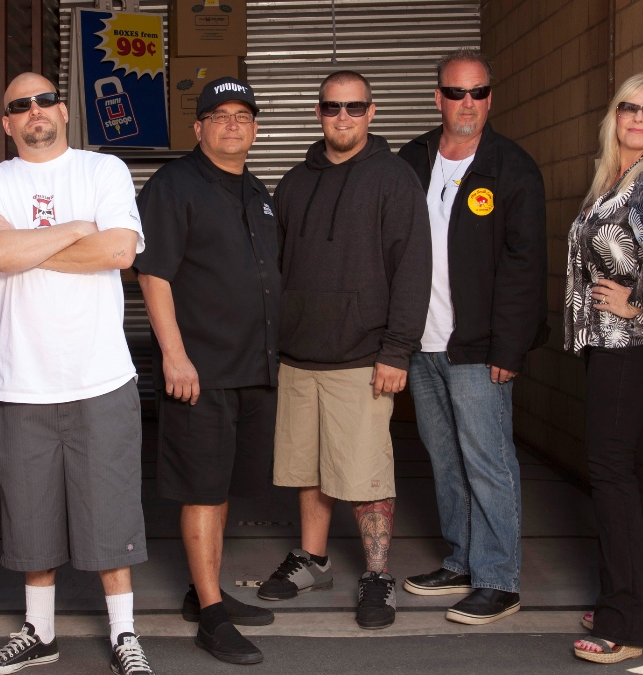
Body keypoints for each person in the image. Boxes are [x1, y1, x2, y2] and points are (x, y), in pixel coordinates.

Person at [0, 72, 155, 675]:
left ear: (65, 112)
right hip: (21, 378)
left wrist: (28, 243)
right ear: (7, 123)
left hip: (99, 376)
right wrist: (76, 229)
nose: (34, 111)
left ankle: (125, 634)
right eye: (19, 105)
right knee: (30, 515)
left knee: (111, 511)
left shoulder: (104, 171)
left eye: (44, 100)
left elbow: (121, 252)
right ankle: (39, 633)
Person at [259, 70, 431, 631]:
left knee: (365, 472)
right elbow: (274, 270)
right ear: (318, 113)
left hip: (362, 356)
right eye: (333, 108)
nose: (343, 118)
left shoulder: (394, 179)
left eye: (354, 109)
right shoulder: (292, 182)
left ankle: (377, 574)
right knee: (310, 466)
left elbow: (413, 269)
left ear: (372, 113)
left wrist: (397, 350)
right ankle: (313, 559)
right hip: (298, 353)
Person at [397, 48, 548, 625]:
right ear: (438, 97)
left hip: (479, 346)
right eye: (456, 93)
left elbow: (524, 266)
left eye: (478, 93)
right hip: (421, 344)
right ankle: (462, 561)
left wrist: (509, 347)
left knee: (489, 461)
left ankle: (498, 579)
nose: (467, 104)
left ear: (491, 98)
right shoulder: (411, 160)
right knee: (444, 458)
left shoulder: (511, 168)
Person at [135, 77, 278, 665]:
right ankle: (213, 618)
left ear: (254, 128)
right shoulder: (174, 185)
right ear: (198, 128)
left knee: (220, 489)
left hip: (251, 367)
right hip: (200, 369)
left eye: (243, 115)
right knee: (200, 489)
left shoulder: (258, 192)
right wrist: (174, 354)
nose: (232, 125)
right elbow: (153, 274)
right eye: (218, 116)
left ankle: (206, 593)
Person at [561, 74, 643, 664]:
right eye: (629, 107)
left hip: (631, 343)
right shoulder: (616, 178)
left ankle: (621, 624)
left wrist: (638, 302)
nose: (639, 118)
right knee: (633, 471)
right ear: (614, 115)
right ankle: (641, 603)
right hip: (611, 344)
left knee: (610, 472)